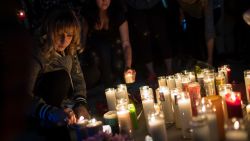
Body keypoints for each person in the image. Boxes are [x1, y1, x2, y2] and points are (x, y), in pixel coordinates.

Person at [27, 8, 90, 140]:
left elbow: (77, 79)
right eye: (59, 34)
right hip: (39, 111)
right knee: (60, 78)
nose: (64, 40)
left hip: (63, 104)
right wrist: (50, 112)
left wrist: (80, 104)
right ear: (50, 31)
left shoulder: (69, 49)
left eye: (69, 35)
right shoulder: (37, 51)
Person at [81, 0, 134, 88]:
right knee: (103, 47)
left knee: (113, 52)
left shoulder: (118, 13)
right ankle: (109, 88)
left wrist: (128, 66)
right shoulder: (88, 14)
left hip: (115, 51)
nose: (105, 1)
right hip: (95, 54)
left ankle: (118, 87)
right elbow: (82, 41)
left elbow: (126, 43)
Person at [126, 0, 173, 82]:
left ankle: (169, 69)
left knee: (162, 34)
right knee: (143, 37)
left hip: (154, 3)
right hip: (136, 5)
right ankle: (151, 72)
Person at [177, 0, 218, 65]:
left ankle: (212, 60)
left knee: (205, 35)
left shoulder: (205, 2)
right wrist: (181, 14)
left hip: (206, 10)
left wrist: (210, 58)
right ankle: (196, 61)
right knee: (192, 37)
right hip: (190, 14)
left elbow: (209, 29)